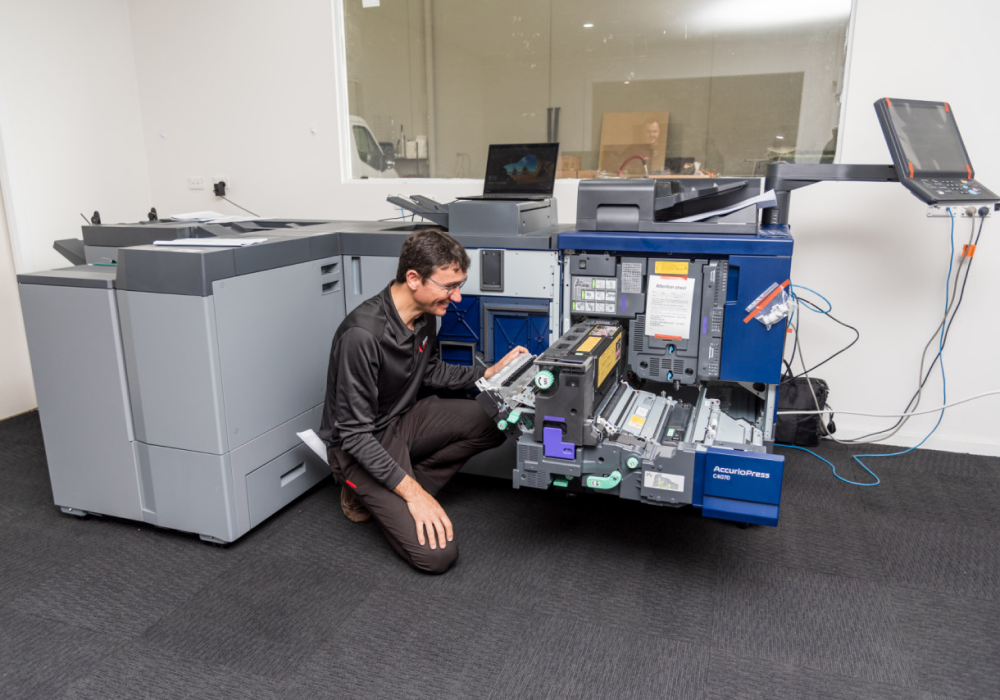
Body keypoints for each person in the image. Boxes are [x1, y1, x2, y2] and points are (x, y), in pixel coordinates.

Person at [318, 227, 527, 574]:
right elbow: (354, 435)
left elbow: (428, 372)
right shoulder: (362, 335)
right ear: (414, 278)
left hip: (403, 421)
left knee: (497, 418)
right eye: (450, 286)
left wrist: (486, 374)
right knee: (437, 556)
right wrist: (414, 494)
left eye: (459, 285)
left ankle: (398, 488)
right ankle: (365, 490)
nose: (457, 297)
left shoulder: (426, 315)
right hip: (360, 445)